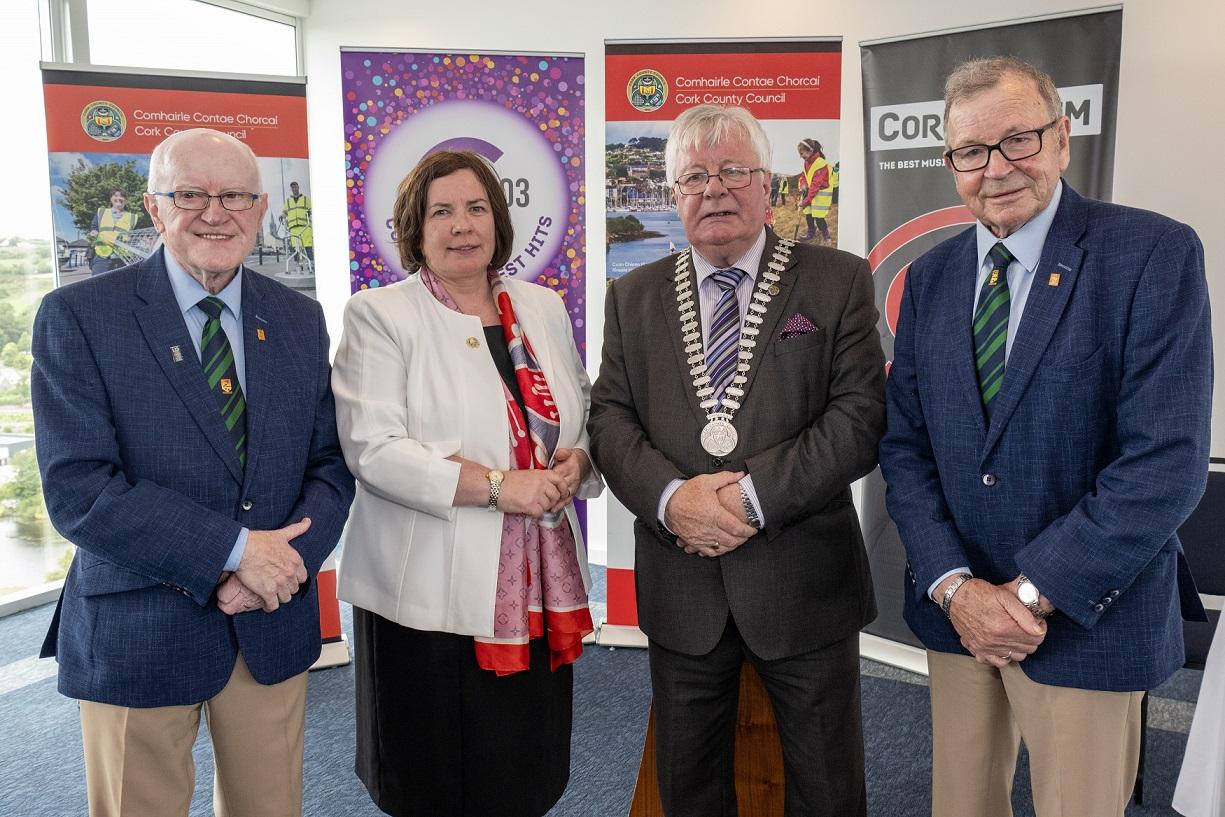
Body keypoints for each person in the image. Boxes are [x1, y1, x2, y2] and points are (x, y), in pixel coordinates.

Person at [878, 56, 1212, 817]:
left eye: (1018, 140)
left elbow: (1164, 461)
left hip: (1085, 613)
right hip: (957, 614)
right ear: (950, 164)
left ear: (1062, 139)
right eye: (971, 152)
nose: (995, 170)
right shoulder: (929, 280)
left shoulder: (1150, 255)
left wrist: (1030, 594)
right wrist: (955, 587)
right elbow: (905, 448)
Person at [31, 127, 355, 817]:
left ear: (261, 206)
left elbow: (329, 464)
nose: (216, 212)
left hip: (268, 620)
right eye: (190, 194)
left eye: (235, 194)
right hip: (137, 628)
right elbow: (79, 490)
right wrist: (236, 554)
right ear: (153, 207)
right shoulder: (80, 317)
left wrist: (280, 563)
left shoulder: (299, 318)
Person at [588, 104, 885, 817]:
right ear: (672, 193)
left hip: (804, 584)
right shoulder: (631, 296)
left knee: (826, 786)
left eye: (732, 171)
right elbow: (610, 418)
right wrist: (671, 501)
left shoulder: (836, 280)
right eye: (693, 176)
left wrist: (749, 499)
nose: (713, 189)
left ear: (768, 182)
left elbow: (857, 417)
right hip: (680, 583)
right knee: (688, 787)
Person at [331, 149, 601, 817]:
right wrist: (497, 485)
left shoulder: (541, 306)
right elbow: (374, 447)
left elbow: (582, 411)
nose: (461, 225)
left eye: (476, 207)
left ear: (498, 219)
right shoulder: (380, 314)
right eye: (441, 211)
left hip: (533, 586)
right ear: (414, 229)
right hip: (423, 597)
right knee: (433, 777)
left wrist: (578, 460)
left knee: (521, 764)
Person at [88, 187, 137, 276]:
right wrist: (93, 233)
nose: (119, 198)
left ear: (126, 200)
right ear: (111, 198)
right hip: (101, 256)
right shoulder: (101, 212)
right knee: (97, 284)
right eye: (116, 195)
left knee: (119, 286)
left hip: (123, 258)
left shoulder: (132, 217)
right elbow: (93, 228)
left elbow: (136, 236)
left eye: (122, 196)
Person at [796, 138, 834, 243]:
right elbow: (804, 175)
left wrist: (805, 202)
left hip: (819, 195)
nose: (800, 156)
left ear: (810, 151)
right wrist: (803, 184)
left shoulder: (821, 164)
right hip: (810, 193)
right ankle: (811, 232)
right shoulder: (806, 163)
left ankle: (826, 233)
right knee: (808, 214)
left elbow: (815, 185)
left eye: (802, 153)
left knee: (818, 217)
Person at [283, 180, 313, 263]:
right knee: (296, 247)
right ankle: (298, 265)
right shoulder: (288, 201)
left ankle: (311, 263)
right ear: (291, 189)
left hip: (305, 227)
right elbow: (284, 212)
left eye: (295, 187)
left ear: (298, 187)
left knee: (308, 246)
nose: (294, 189)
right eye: (292, 187)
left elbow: (311, 209)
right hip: (293, 228)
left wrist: (310, 212)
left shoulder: (306, 199)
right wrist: (282, 216)